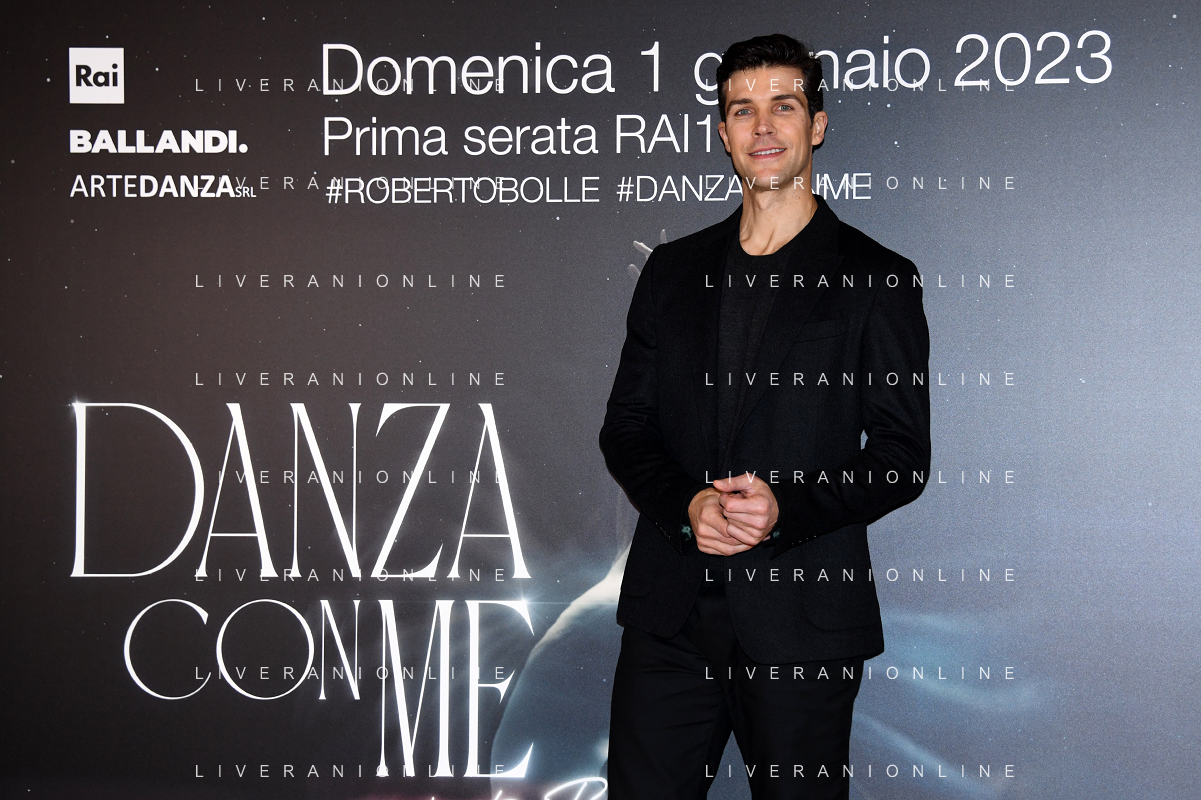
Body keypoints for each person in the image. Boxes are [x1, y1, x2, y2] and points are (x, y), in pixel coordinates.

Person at [598, 33, 931, 799]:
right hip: (669, 618)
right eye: (741, 110)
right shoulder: (671, 272)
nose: (761, 127)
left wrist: (784, 511)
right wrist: (687, 506)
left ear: (817, 124)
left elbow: (899, 456)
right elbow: (626, 427)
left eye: (782, 105)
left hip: (802, 622)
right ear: (722, 132)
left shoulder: (876, 278)